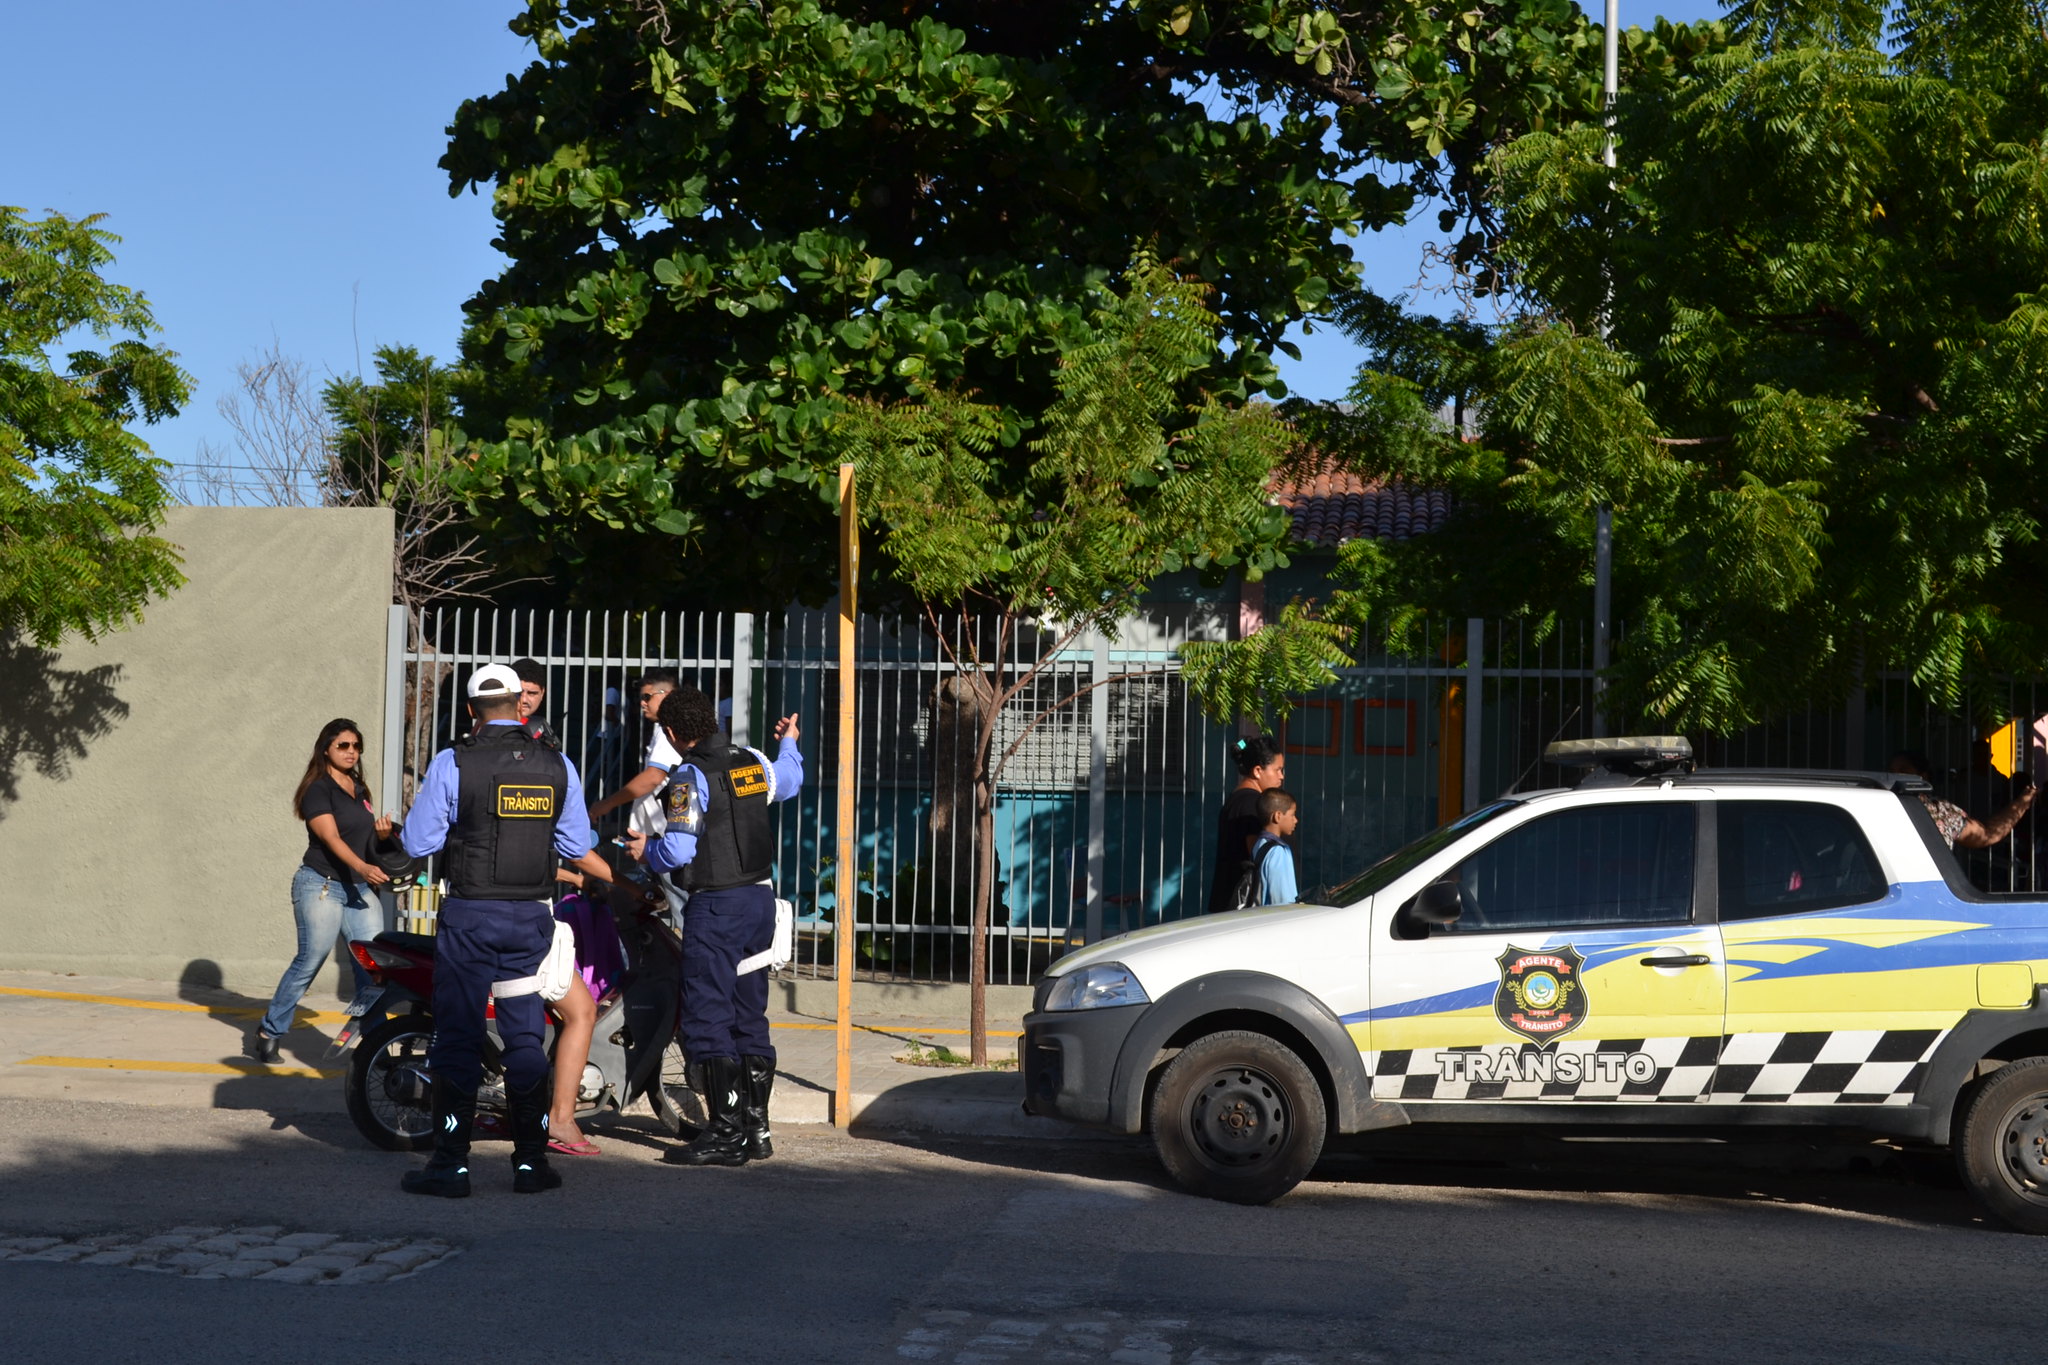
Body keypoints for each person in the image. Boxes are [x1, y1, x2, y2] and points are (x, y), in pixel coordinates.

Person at [396, 664, 614, 1198]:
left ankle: (450, 1164)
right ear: (521, 705)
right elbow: (575, 842)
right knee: (523, 1038)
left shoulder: (454, 762)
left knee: (460, 1038)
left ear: (471, 711)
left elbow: (419, 841)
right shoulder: (557, 764)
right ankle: (531, 1163)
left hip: (471, 918)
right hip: (529, 920)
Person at [626, 686, 803, 1167]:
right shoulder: (750, 761)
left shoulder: (688, 775)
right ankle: (755, 1129)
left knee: (707, 1013)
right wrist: (789, 742)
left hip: (718, 906)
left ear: (672, 732)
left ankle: (724, 1134)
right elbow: (789, 780)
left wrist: (648, 852)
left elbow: (680, 850)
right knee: (749, 1013)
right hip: (759, 902)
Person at [252, 720, 398, 1064]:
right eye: (342, 746)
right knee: (311, 959)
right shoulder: (319, 789)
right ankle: (270, 1031)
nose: (350, 752)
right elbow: (331, 839)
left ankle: (376, 1044)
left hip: (358, 888)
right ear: (326, 749)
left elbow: (357, 837)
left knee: (373, 969)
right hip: (322, 885)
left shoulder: (358, 789)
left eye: (355, 746)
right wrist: (362, 867)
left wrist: (380, 837)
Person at [588, 669, 680, 833]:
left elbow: (653, 776)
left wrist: (607, 803)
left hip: (664, 833)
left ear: (667, 694)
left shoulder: (669, 732)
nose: (642, 703)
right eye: (641, 698)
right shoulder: (664, 729)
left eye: (647, 697)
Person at [1889, 750, 2037, 849]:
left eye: (1903, 770)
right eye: (1891, 771)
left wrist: (2021, 804)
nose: (1895, 776)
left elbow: (1986, 835)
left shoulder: (1938, 811)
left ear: (1923, 776)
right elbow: (1987, 835)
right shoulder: (1880, 805)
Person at [1206, 735, 1285, 914]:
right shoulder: (1251, 804)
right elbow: (1259, 857)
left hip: (1229, 903)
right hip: (1241, 907)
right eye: (1278, 769)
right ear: (1258, 771)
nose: (1282, 776)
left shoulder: (1239, 798)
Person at [1251, 789, 1300, 906]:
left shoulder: (1259, 843)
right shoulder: (1278, 851)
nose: (1296, 820)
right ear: (1278, 816)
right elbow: (1282, 899)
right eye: (1292, 815)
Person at [510, 657, 562, 748]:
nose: (524, 700)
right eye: (518, 693)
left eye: (532, 693)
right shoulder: (488, 726)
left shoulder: (544, 731)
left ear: (542, 693)